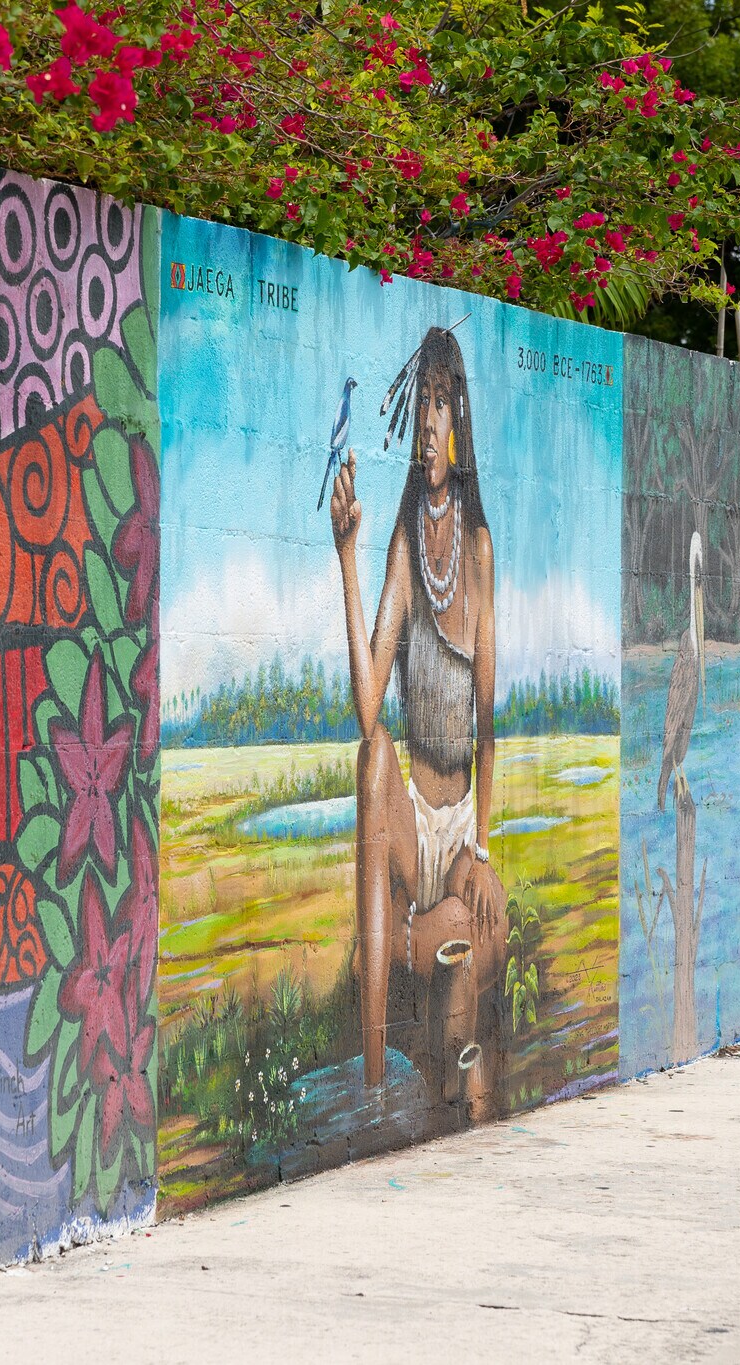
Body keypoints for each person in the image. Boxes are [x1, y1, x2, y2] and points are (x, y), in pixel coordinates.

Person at [328, 325, 507, 1118]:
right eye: (422, 404)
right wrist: (348, 555)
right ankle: (372, 1078)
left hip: (460, 830)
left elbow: (491, 729)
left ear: (459, 422)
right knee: (374, 756)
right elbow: (370, 709)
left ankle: (410, 949)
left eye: (442, 403)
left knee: (466, 984)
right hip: (409, 831)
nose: (429, 423)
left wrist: (482, 847)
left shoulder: (477, 549)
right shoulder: (404, 544)